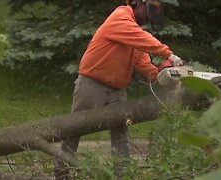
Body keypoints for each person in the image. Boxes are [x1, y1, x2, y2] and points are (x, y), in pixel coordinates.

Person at [54, 0, 183, 179]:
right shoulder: (120, 17)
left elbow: (143, 63)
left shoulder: (133, 33)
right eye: (147, 14)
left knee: (121, 128)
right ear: (138, 4)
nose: (146, 20)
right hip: (92, 83)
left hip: (117, 89)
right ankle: (61, 171)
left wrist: (160, 70)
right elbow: (141, 37)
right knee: (76, 126)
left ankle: (122, 173)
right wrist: (167, 53)